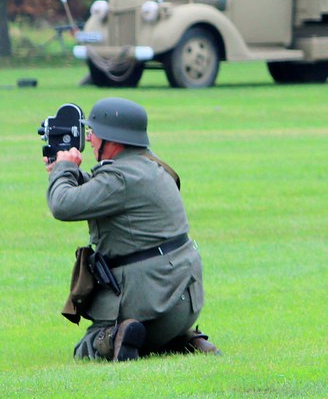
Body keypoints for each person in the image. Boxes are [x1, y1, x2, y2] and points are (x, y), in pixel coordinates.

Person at [45, 97, 218, 361]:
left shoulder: (120, 177)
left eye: (94, 133)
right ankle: (182, 338)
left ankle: (120, 334)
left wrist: (64, 168)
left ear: (112, 140)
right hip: (183, 303)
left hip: (151, 304)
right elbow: (102, 191)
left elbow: (61, 205)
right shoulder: (151, 166)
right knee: (155, 329)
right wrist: (67, 174)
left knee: (88, 347)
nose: (89, 139)